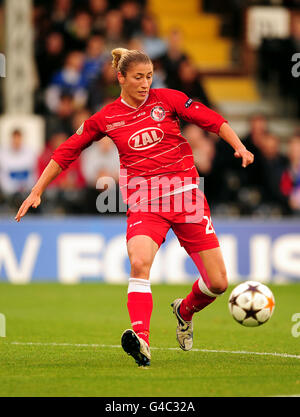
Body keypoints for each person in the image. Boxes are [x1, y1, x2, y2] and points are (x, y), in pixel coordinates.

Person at [15, 48, 254, 367]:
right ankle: (142, 340)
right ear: (121, 78)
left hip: (186, 197)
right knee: (139, 262)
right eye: (138, 77)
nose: (145, 83)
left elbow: (211, 119)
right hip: (145, 201)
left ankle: (184, 311)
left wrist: (239, 145)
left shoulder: (167, 99)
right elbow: (67, 151)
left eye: (149, 76)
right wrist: (37, 189)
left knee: (218, 283)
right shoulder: (106, 118)